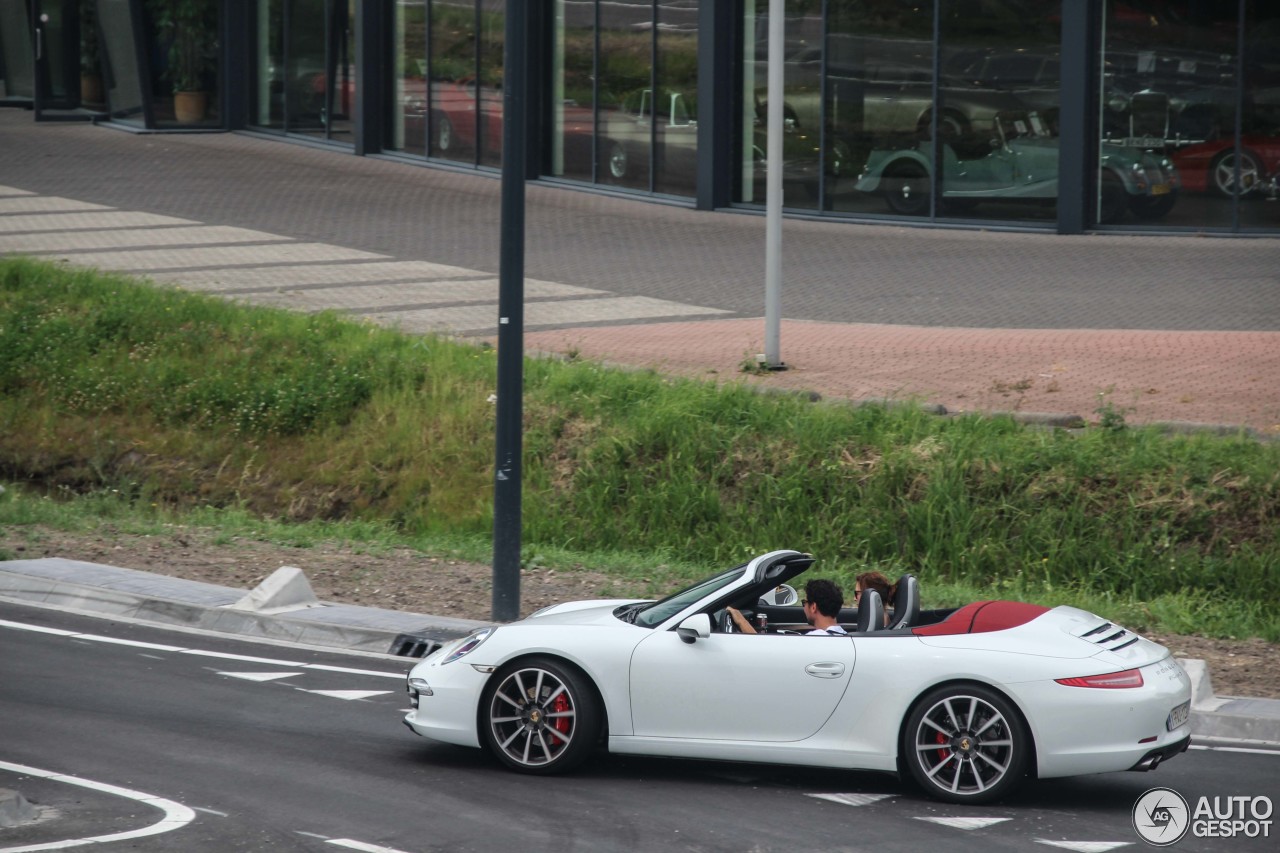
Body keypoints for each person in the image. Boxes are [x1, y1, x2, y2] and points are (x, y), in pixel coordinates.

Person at [727, 578, 848, 635]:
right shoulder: (843, 635)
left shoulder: (815, 639)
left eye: (804, 602)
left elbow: (767, 654)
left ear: (813, 607)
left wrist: (741, 621)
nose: (804, 607)